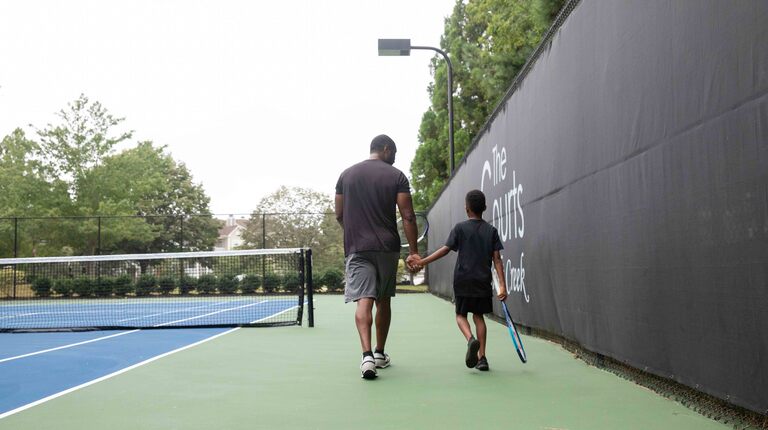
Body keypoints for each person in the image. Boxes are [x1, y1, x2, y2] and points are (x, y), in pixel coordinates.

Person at [335, 134, 420, 380]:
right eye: (394, 153)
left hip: (357, 248)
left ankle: (367, 356)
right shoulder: (397, 176)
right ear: (385, 149)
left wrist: (355, 233)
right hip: (387, 248)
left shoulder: (346, 175)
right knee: (383, 299)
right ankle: (380, 353)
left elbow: (339, 214)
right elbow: (408, 216)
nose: (395, 158)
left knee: (364, 299)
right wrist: (413, 252)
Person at [412, 189, 507, 371]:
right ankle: (483, 358)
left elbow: (445, 249)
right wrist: (502, 286)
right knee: (479, 317)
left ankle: (471, 339)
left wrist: (422, 261)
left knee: (460, 315)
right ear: (484, 208)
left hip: (463, 280)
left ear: (466, 209)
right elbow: (497, 260)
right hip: (482, 282)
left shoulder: (460, 228)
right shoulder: (492, 231)